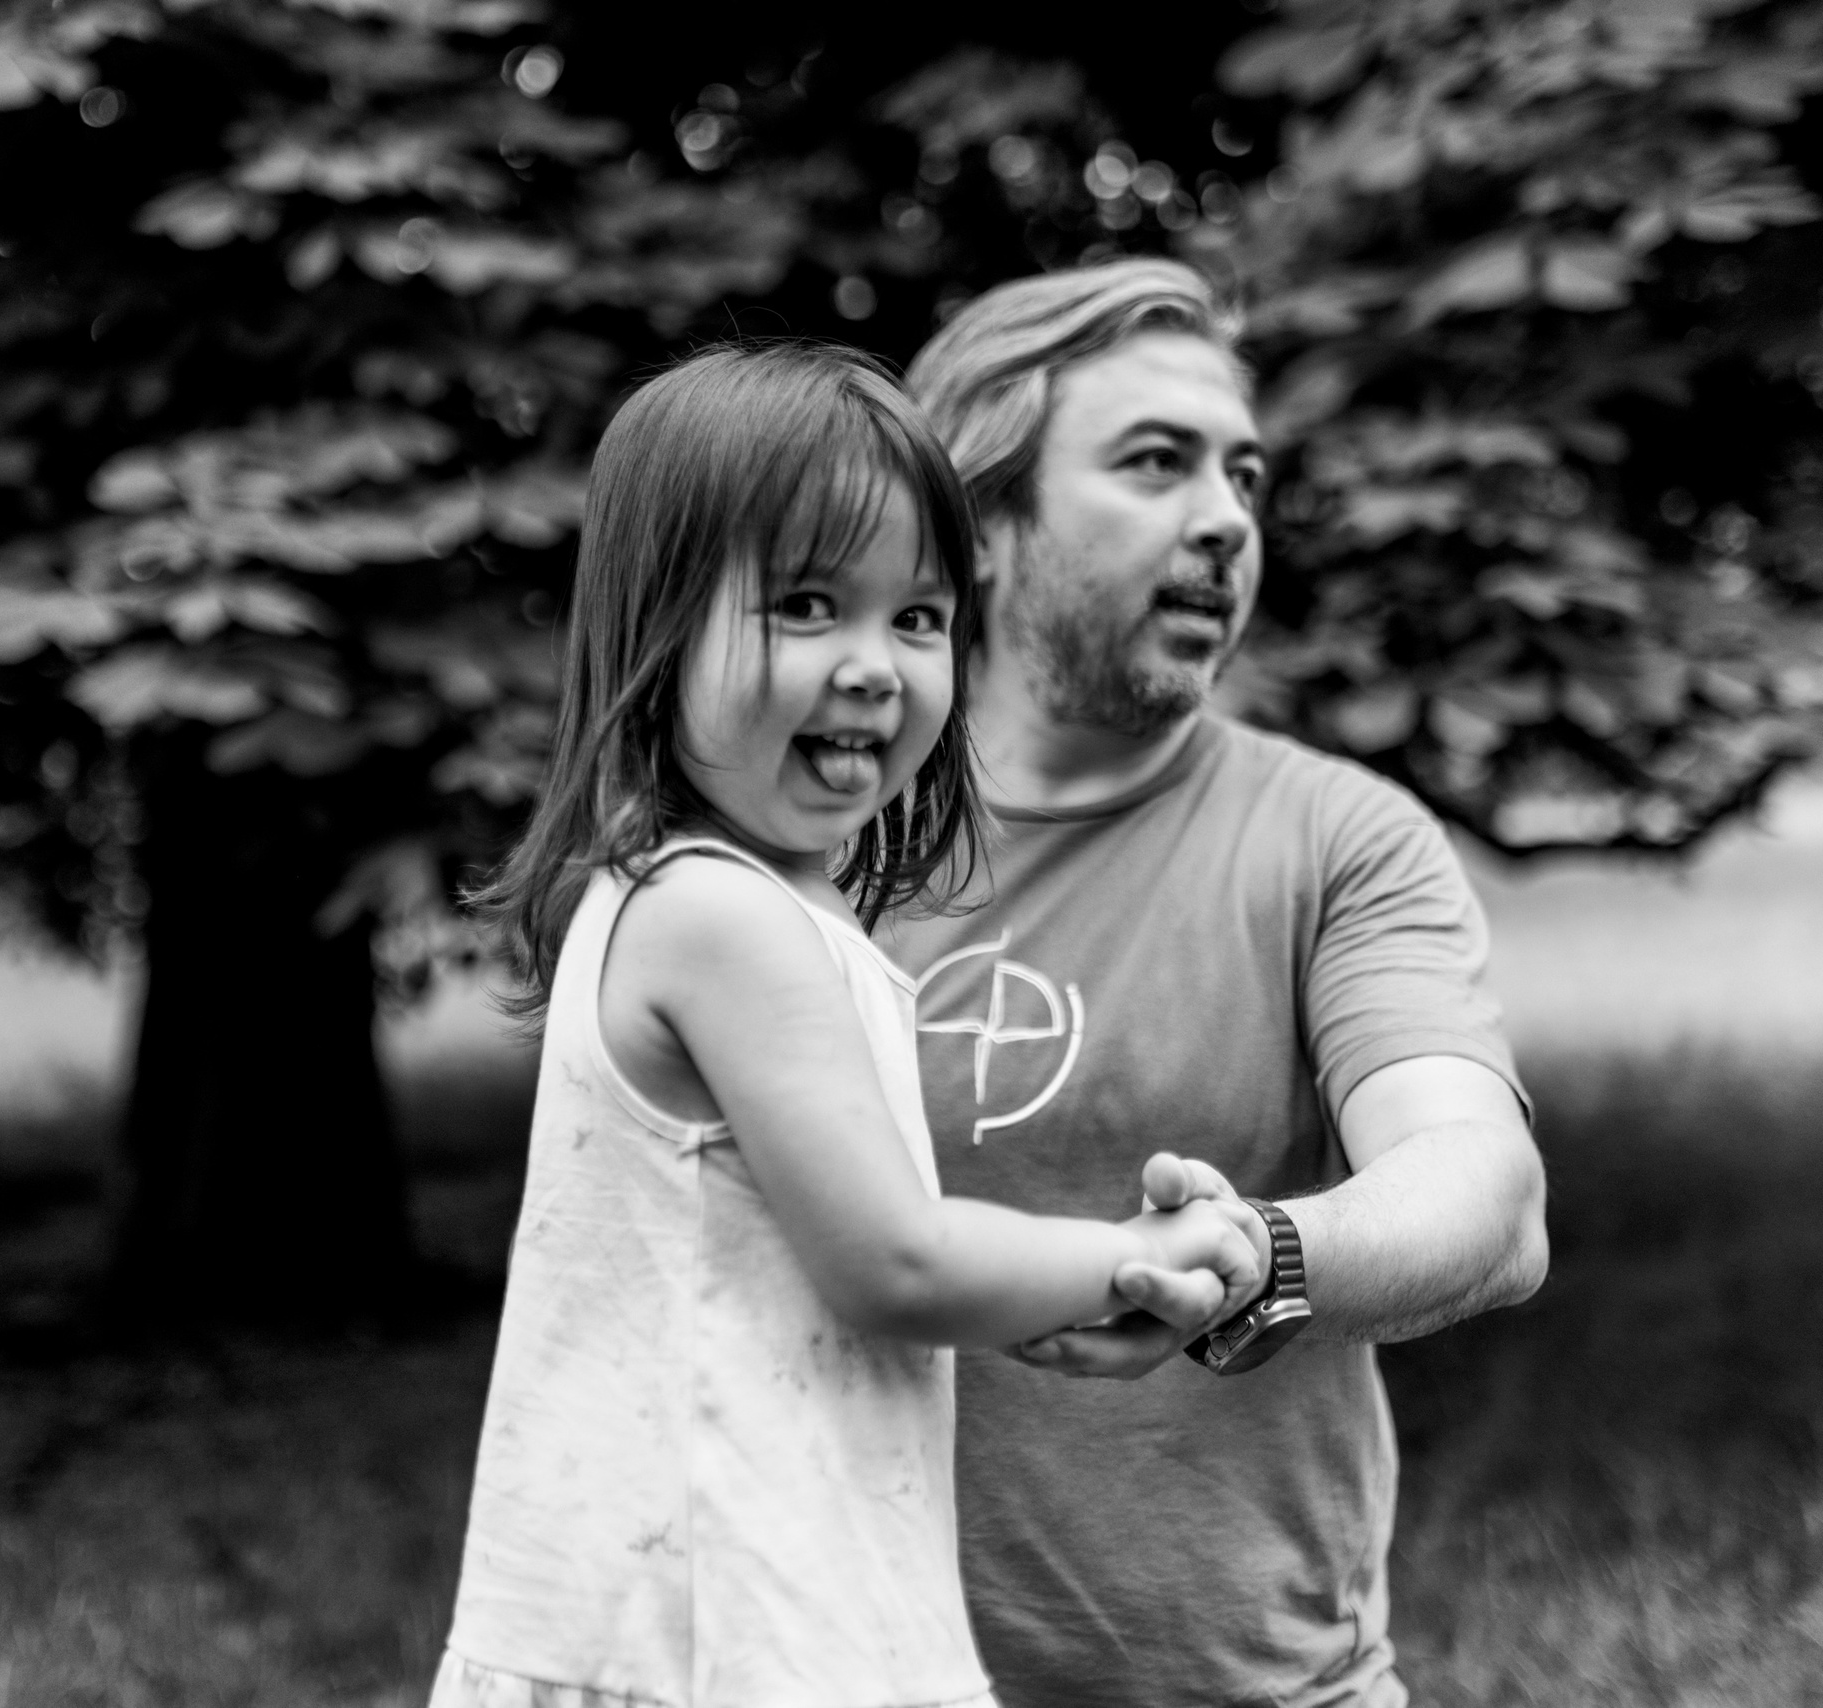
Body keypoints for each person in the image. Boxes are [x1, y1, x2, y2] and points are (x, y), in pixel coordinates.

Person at [432, 341, 1262, 1708]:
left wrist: (1058, 1281)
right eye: (810, 605)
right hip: (710, 1638)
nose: (876, 668)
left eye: (919, 618)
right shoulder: (720, 921)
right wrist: (1127, 1256)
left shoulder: (753, 913)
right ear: (659, 625)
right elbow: (896, 1267)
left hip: (757, 1599)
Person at [889, 258, 1552, 1708]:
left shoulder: (1335, 838)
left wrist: (1260, 1259)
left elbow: (1483, 1192)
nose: (1224, 523)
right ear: (983, 526)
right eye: (1155, 464)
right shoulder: (817, 848)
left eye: (1243, 478)